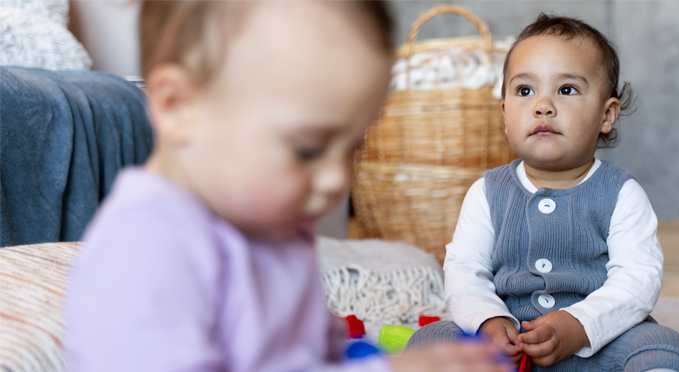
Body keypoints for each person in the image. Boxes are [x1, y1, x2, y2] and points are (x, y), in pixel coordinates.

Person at [62, 2, 510, 372]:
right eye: (308, 148)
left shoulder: (270, 222)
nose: (338, 180)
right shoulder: (148, 250)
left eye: (351, 146)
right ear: (179, 107)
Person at [406, 14, 679, 372]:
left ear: (606, 115)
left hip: (595, 344)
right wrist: (488, 322)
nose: (542, 105)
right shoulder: (487, 191)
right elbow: (465, 270)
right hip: (509, 347)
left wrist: (579, 325)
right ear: (504, 112)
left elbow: (637, 280)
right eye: (525, 91)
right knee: (429, 339)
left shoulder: (621, 193)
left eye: (566, 90)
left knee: (662, 345)